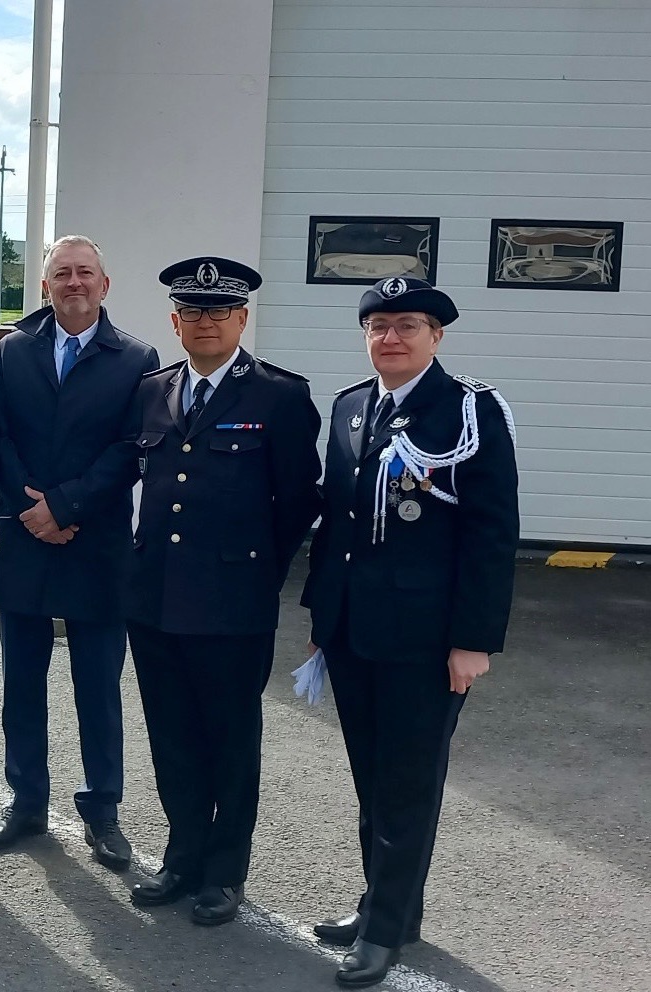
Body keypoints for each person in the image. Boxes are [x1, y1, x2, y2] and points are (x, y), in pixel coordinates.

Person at [301, 276, 520, 987]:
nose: (389, 337)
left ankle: (385, 928)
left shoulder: (467, 411)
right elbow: (335, 528)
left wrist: (473, 640)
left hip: (425, 640)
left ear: (436, 336)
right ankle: (386, 905)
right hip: (353, 631)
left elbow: (491, 535)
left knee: (406, 782)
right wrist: (321, 618)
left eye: (406, 325)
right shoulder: (349, 407)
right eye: (377, 325)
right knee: (373, 779)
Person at [125, 256, 322, 924]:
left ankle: (223, 873)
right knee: (172, 737)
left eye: (219, 311)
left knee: (231, 740)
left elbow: (296, 502)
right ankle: (181, 857)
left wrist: (256, 573)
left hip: (233, 603)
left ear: (242, 318)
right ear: (175, 321)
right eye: (193, 312)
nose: (205, 322)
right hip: (153, 601)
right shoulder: (151, 389)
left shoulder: (278, 396)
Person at [0, 236, 159, 867]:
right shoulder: (14, 351)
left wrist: (67, 506)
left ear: (105, 285)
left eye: (84, 273)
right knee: (20, 683)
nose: (73, 282)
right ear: (44, 286)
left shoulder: (136, 358)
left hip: (95, 543)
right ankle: (25, 804)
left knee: (97, 687)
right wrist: (32, 507)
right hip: (25, 536)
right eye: (60, 274)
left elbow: (133, 448)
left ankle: (103, 811)